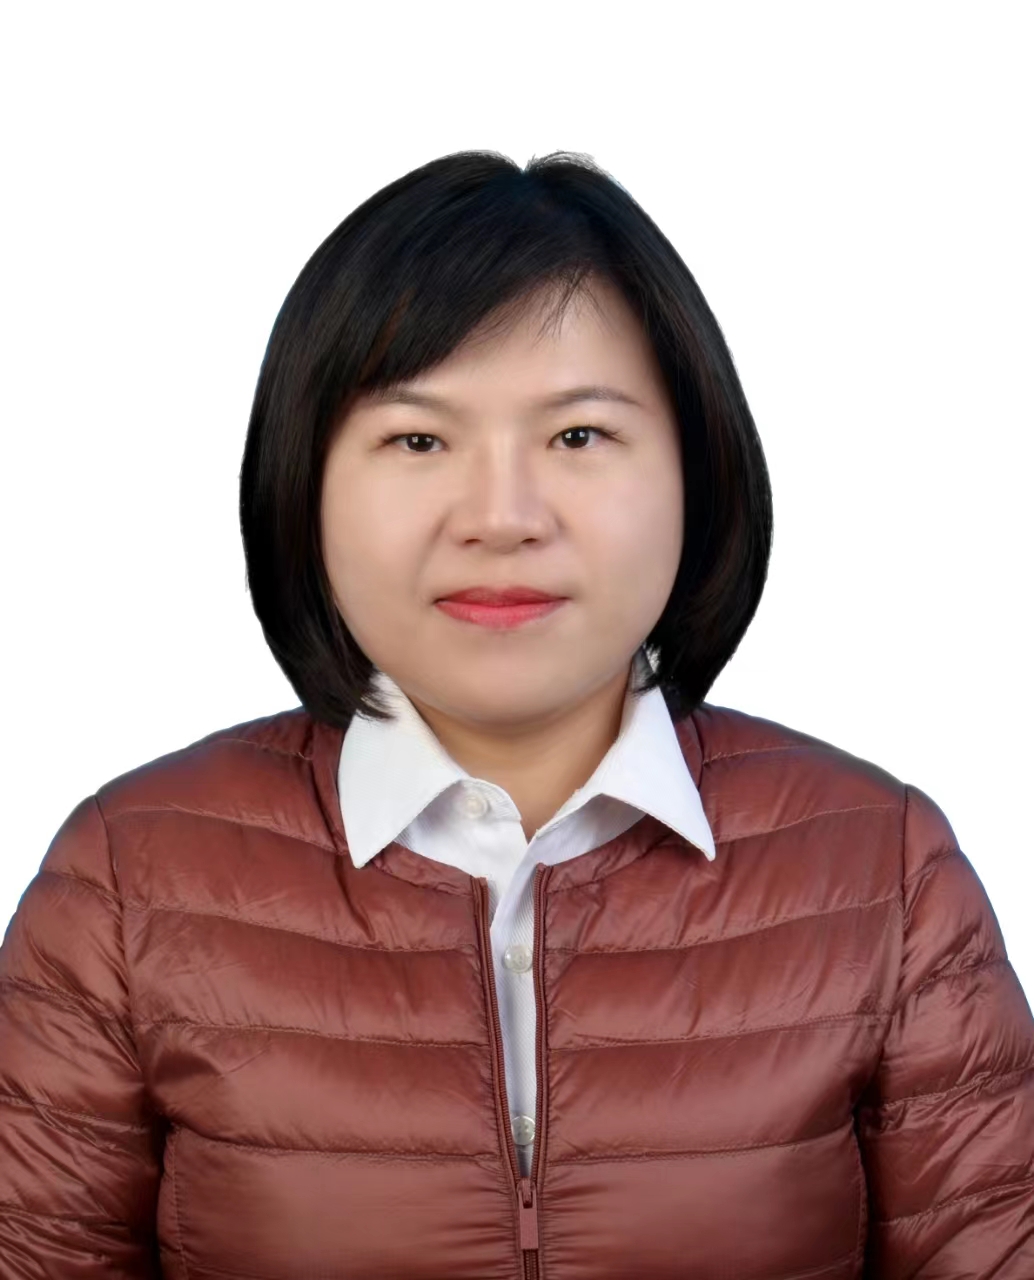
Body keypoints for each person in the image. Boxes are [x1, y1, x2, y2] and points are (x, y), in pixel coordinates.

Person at [1, 149, 1031, 1278]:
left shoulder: (880, 871)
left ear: (695, 472)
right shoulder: (129, 879)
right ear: (303, 482)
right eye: (418, 439)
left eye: (578, 436)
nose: (501, 516)